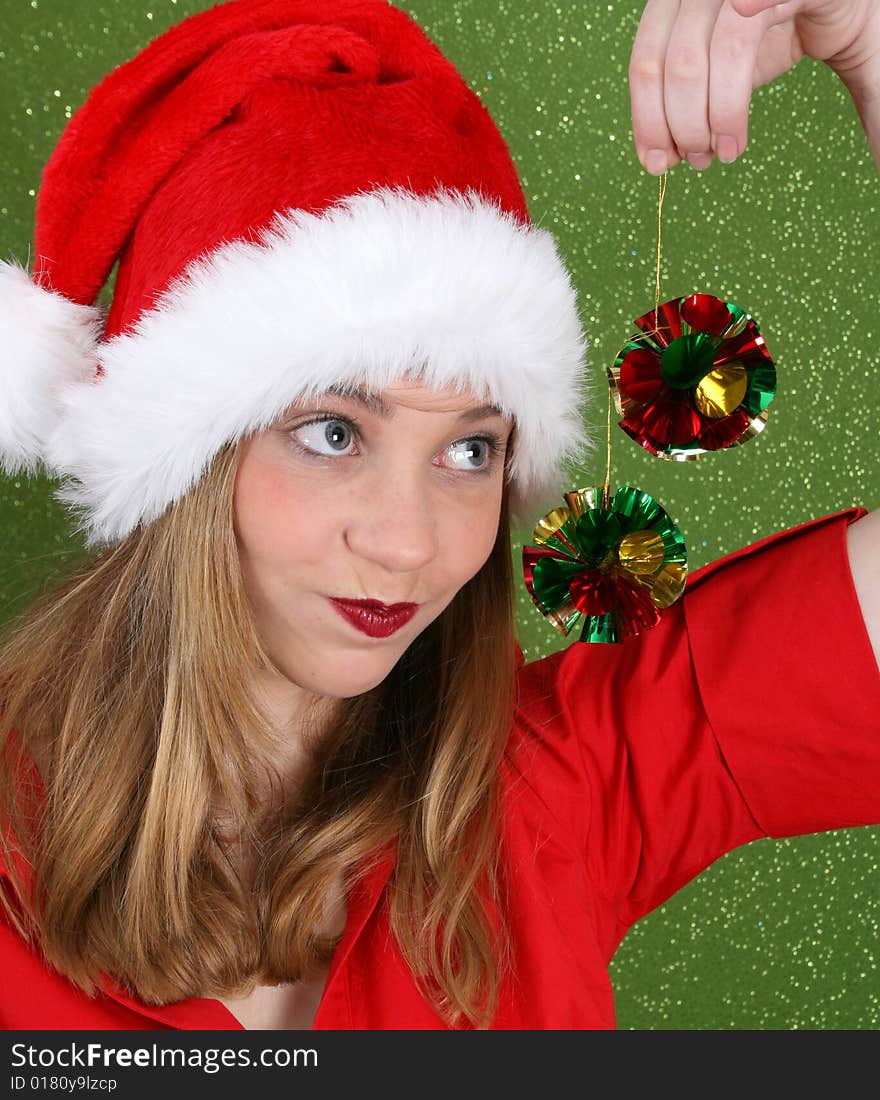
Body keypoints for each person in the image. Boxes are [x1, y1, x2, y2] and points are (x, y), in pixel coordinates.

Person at [0, 0, 878, 1031]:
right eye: (332, 432)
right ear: (182, 459)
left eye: (470, 451)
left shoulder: (553, 791)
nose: (409, 541)